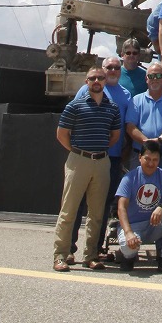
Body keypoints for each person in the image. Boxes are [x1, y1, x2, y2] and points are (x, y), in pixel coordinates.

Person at [52, 66, 121, 272]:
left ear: (105, 81)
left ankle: (90, 255)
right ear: (87, 82)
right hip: (78, 160)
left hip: (101, 161)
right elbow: (61, 134)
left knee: (97, 213)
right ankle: (60, 255)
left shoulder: (112, 108)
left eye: (100, 78)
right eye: (93, 78)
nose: (97, 81)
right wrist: (76, 150)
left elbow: (114, 135)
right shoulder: (75, 106)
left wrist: (98, 151)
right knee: (69, 210)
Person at [69, 54, 131, 263]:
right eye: (109, 68)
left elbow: (121, 129)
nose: (112, 71)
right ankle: (69, 248)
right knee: (76, 204)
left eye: (116, 68)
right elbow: (71, 121)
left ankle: (94, 249)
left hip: (109, 159)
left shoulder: (125, 95)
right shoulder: (86, 90)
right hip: (84, 156)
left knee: (101, 206)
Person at [115, 140, 162, 273]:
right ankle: (128, 256)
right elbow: (121, 207)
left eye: (155, 160)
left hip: (153, 225)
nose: (151, 164)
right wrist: (128, 233)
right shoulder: (129, 178)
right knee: (129, 247)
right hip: (133, 226)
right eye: (147, 159)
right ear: (140, 157)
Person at [126, 62, 162, 169]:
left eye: (159, 75)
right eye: (151, 76)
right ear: (146, 79)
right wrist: (147, 143)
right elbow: (130, 127)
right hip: (140, 156)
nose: (155, 78)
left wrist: (160, 140)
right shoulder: (136, 100)